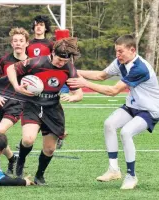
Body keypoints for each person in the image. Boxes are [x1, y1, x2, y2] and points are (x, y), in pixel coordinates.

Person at [67, 34, 159, 190]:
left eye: (121, 51)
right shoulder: (120, 61)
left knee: (126, 132)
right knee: (109, 124)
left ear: (132, 50)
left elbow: (113, 91)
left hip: (150, 110)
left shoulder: (139, 68)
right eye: (116, 51)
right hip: (133, 105)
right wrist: (74, 70)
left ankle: (131, 176)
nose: (118, 55)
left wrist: (84, 83)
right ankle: (114, 169)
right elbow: (101, 75)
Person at [6, 37, 83, 185]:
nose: (61, 64)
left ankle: (39, 175)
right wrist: (16, 86)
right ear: (53, 53)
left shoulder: (69, 69)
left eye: (64, 61)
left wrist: (74, 97)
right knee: (28, 139)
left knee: (49, 149)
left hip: (53, 109)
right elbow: (11, 68)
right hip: (33, 105)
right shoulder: (36, 62)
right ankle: (20, 161)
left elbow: (79, 92)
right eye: (59, 60)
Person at [0, 27, 29, 175]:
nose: (18, 43)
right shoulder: (4, 60)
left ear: (26, 43)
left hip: (18, 104)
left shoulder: (31, 62)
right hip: (3, 102)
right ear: (12, 43)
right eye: (15, 41)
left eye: (21, 41)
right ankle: (12, 159)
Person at [26, 15, 70, 148]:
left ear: (46, 28)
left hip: (48, 81)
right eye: (36, 24)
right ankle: (28, 136)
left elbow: (61, 57)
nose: (38, 27)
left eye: (41, 24)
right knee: (30, 109)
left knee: (51, 106)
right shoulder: (28, 43)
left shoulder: (51, 44)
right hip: (32, 82)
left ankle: (58, 133)